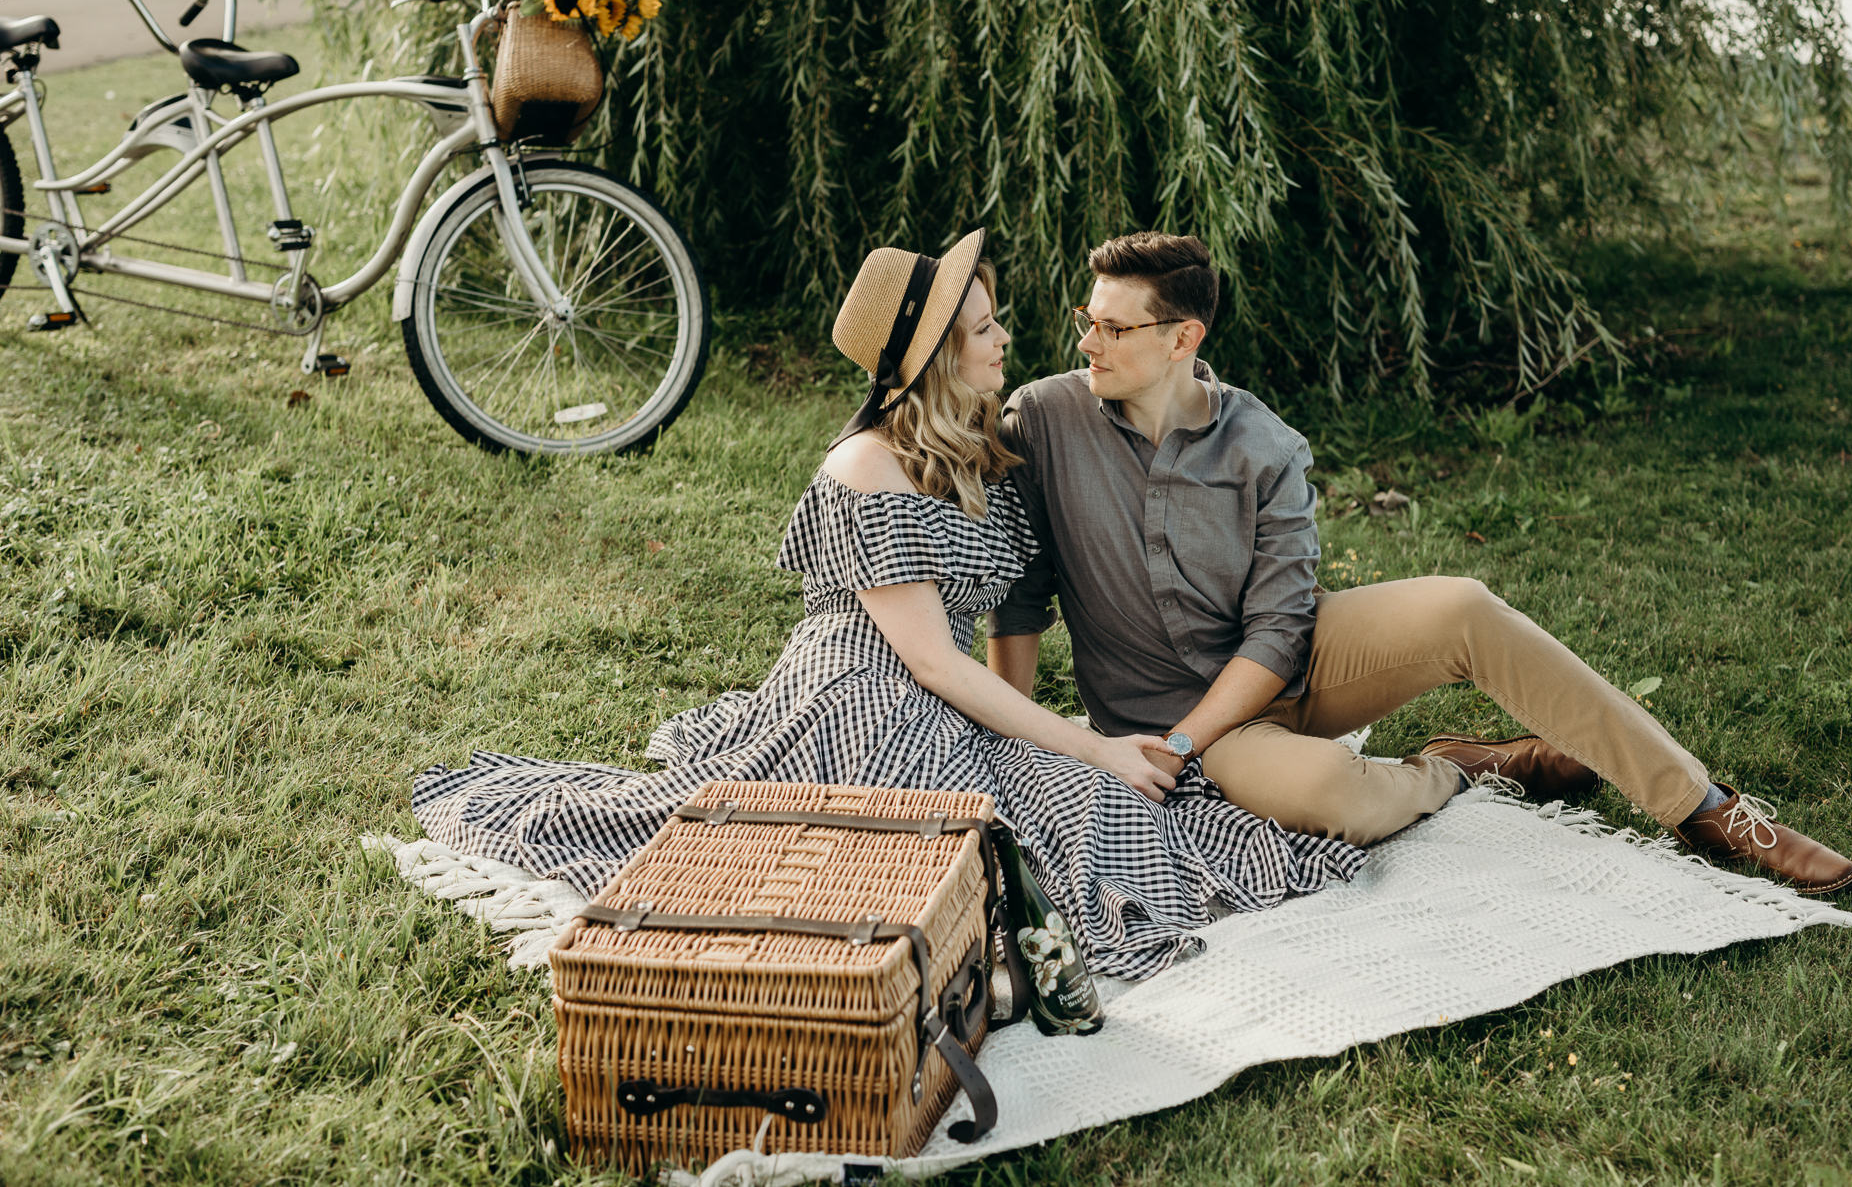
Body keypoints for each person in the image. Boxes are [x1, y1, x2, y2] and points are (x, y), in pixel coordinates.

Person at [411, 229, 1366, 980]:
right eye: (985, 328)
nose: (1007, 338)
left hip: (937, 691)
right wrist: (1084, 740)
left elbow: (1011, 611)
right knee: (1027, 813)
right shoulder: (868, 464)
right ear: (939, 354)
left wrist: (1058, 740)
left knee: (1089, 800)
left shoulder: (974, 440)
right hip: (865, 695)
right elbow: (932, 661)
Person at [986, 231, 1852, 895]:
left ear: (1183, 339)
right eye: (1084, 320)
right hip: (1192, 724)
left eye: (1112, 325)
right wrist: (1021, 747)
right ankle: (1456, 767)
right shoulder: (1045, 418)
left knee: (1465, 604)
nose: (1088, 342)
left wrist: (1179, 743)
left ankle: (1708, 808)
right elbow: (1020, 596)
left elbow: (1284, 625)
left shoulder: (1262, 444)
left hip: (1283, 666)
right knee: (1337, 791)